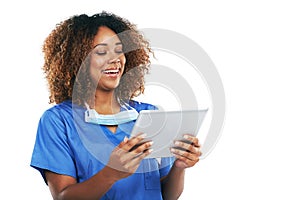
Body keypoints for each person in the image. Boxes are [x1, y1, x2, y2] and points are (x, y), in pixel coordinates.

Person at [30, 11, 202, 200]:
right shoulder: (58, 121)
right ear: (78, 61)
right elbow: (63, 196)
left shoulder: (150, 115)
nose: (115, 59)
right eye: (102, 52)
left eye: (119, 50)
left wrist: (179, 166)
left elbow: (167, 195)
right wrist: (110, 174)